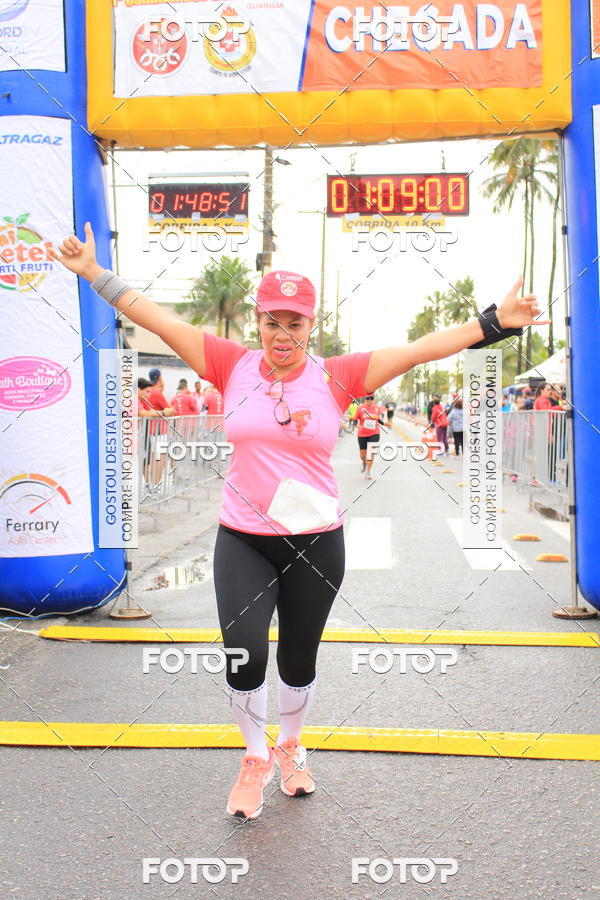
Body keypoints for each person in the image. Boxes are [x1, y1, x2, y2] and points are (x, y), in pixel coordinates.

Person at [50, 222, 545, 821]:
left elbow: (418, 350)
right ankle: (255, 755)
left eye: (295, 323)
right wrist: (93, 272)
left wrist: (494, 323)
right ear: (258, 321)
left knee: (298, 660)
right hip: (243, 538)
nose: (282, 334)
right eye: (272, 321)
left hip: (316, 542)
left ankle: (290, 745)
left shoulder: (338, 375)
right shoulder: (228, 364)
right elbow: (155, 317)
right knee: (244, 653)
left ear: (312, 326)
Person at [353, 394, 386, 479]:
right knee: (362, 456)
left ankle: (368, 471)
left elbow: (377, 419)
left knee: (371, 453)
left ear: (373, 400)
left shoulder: (377, 408)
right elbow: (354, 420)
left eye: (371, 399)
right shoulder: (360, 408)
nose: (369, 400)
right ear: (365, 400)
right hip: (362, 434)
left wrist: (384, 424)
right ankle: (364, 462)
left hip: (374, 434)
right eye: (368, 399)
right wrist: (357, 425)